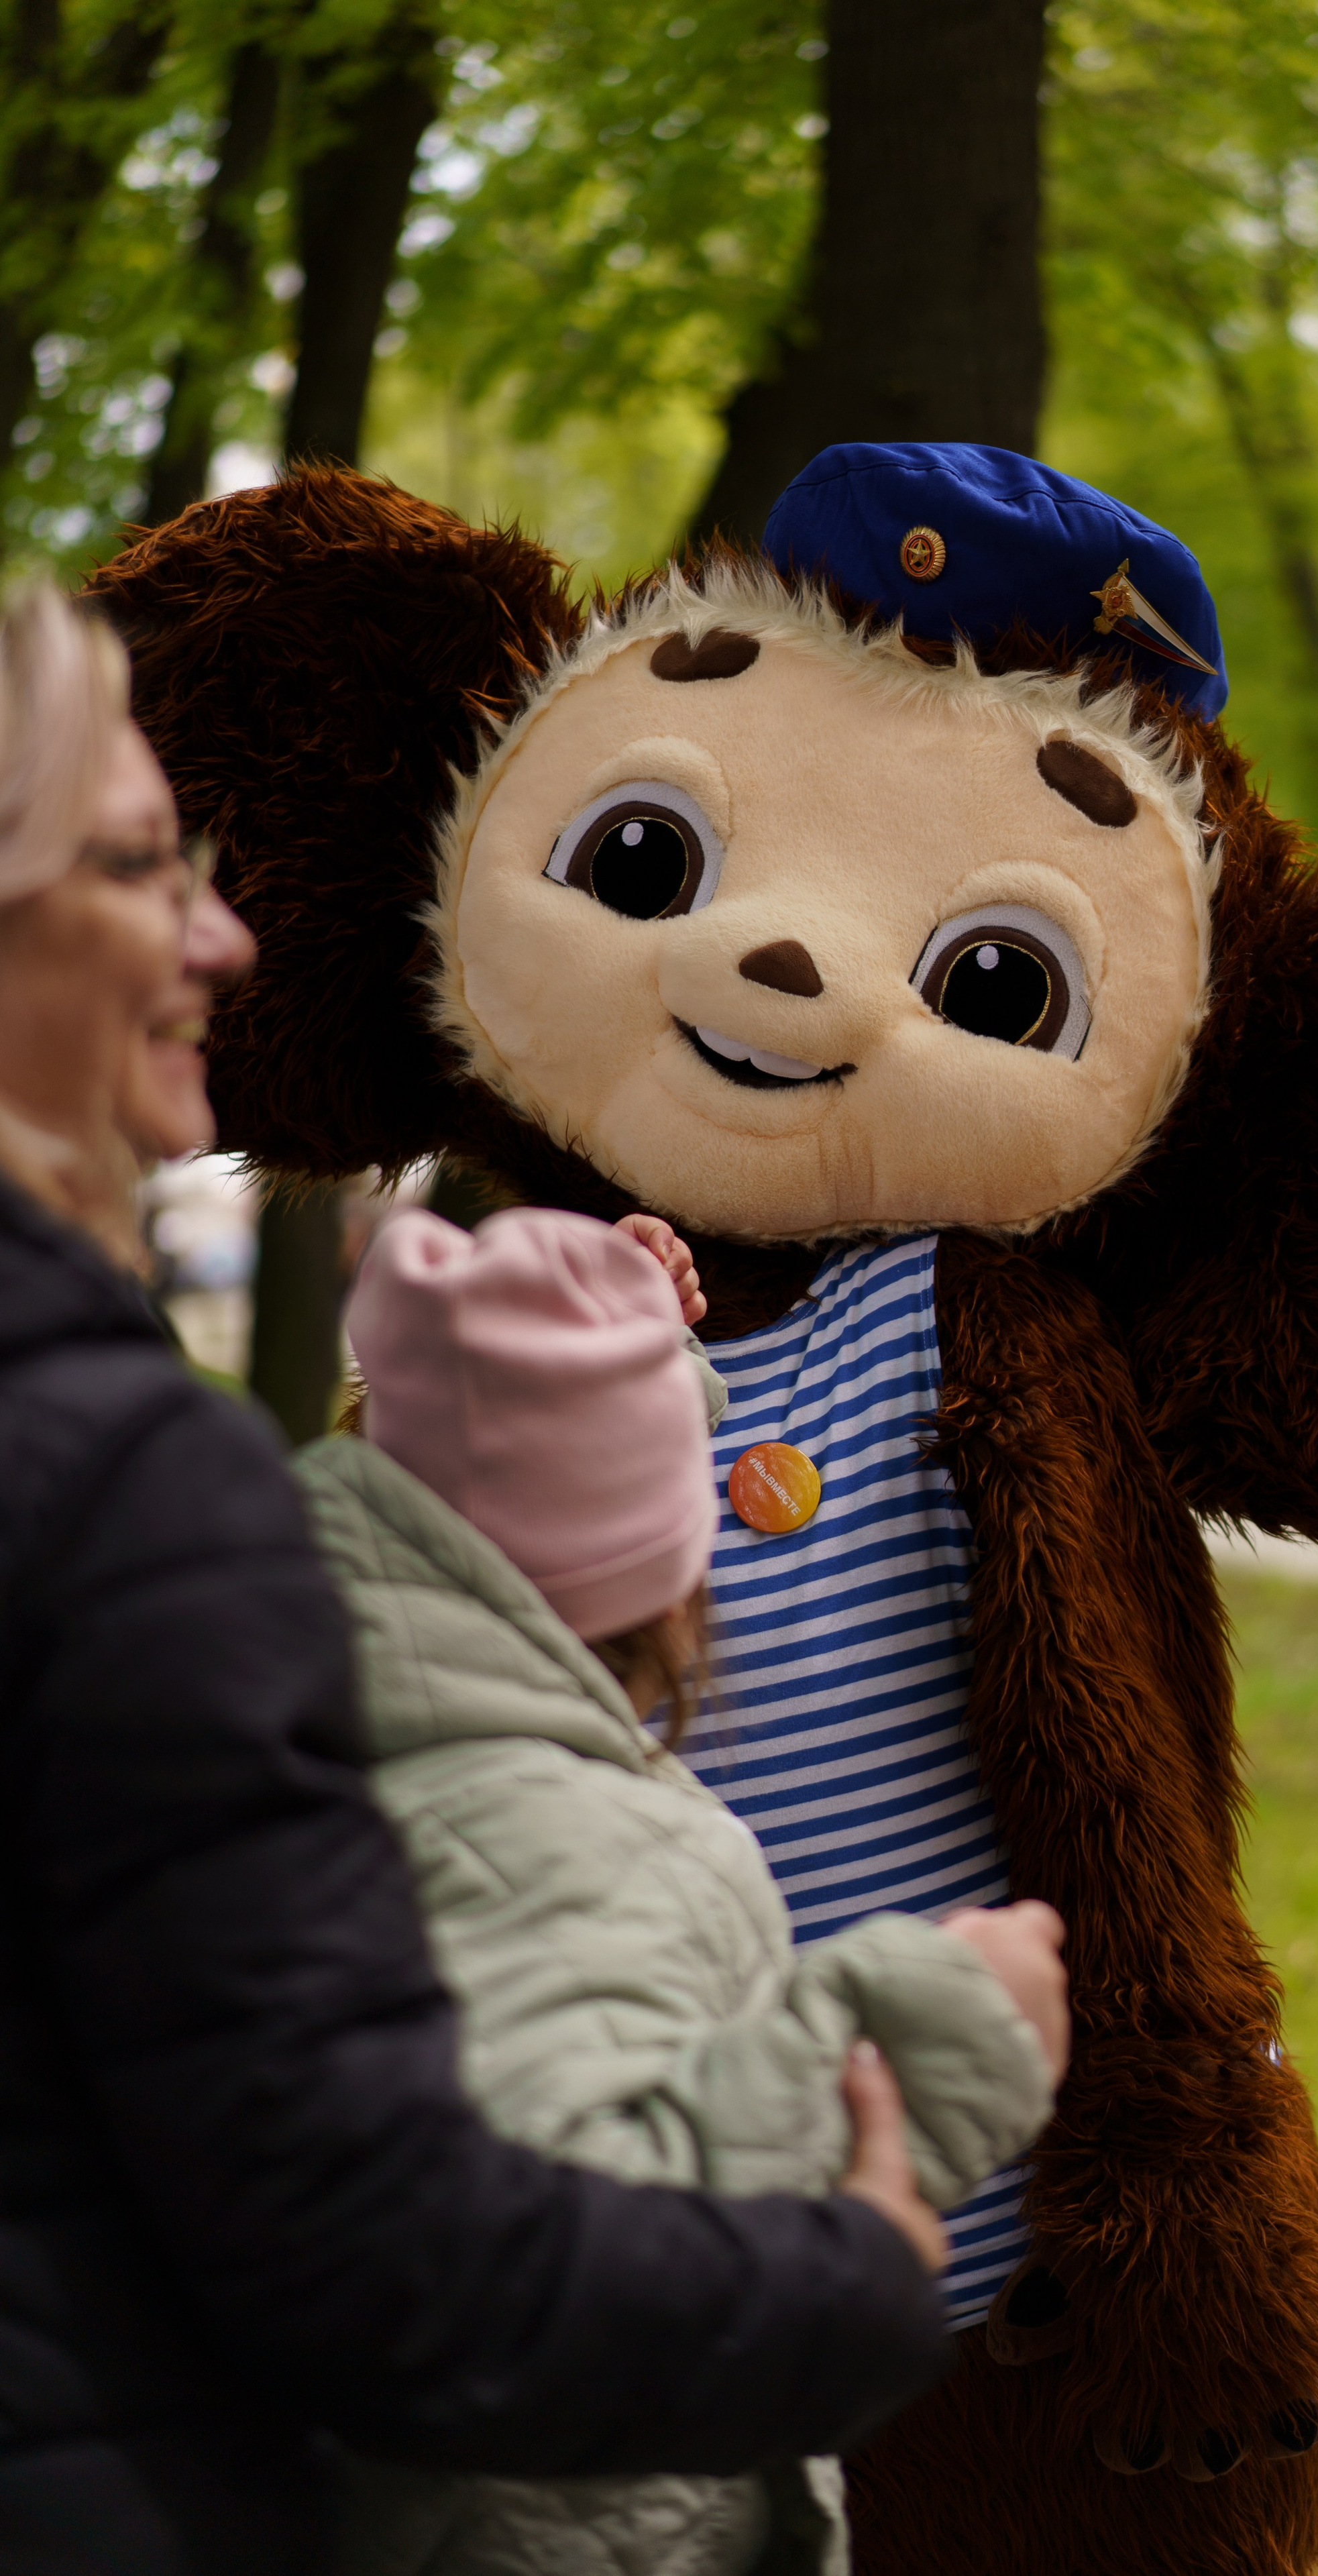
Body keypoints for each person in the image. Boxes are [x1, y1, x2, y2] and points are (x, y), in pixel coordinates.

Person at [0, 582, 967, 2576]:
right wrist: (849, 2278)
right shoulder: (118, 1491)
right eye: (129, 864)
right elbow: (393, 2258)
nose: (222, 933)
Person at [295, 1202, 1068, 2575]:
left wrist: (633, 1353)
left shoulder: (328, 1745)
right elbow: (570, 2258)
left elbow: (527, 1471)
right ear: (668, 1592)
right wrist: (936, 2032)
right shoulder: (579, 1847)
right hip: (588, 2532)